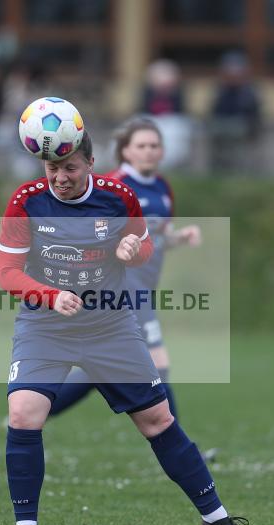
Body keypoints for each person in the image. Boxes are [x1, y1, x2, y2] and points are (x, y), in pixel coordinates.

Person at [0, 131, 255, 525]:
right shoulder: (26, 200)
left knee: (158, 421)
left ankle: (217, 520)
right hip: (45, 326)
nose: (60, 178)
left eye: (70, 168)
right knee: (24, 413)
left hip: (109, 325)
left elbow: (143, 247)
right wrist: (50, 295)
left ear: (91, 163)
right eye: (52, 169)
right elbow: (8, 272)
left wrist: (133, 247)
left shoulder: (119, 197)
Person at [49, 118, 199, 420]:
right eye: (141, 146)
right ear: (126, 151)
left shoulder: (162, 188)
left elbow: (151, 240)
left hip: (144, 288)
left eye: (155, 146)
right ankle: (180, 444)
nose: (149, 151)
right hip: (122, 289)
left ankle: (35, 410)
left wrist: (178, 238)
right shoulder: (113, 187)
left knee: (100, 368)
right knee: (157, 363)